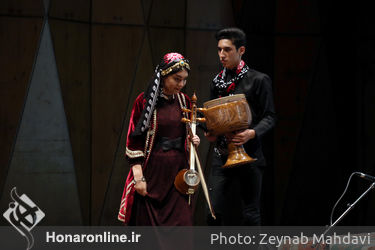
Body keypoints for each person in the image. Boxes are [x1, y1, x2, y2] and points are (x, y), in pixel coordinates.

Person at [118, 52, 200, 226]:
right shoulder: (144, 101)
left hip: (177, 175)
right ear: (163, 76)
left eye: (184, 80)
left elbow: (187, 132)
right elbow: (134, 142)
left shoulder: (185, 101)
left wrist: (193, 140)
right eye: (177, 79)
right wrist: (139, 178)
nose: (181, 84)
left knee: (182, 226)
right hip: (153, 173)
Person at [205, 27, 276, 226]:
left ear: (241, 50)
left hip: (250, 154)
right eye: (219, 49)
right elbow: (213, 118)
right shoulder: (217, 82)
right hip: (222, 154)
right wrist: (210, 132)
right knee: (212, 212)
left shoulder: (259, 80)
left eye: (227, 50)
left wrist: (251, 133)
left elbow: (270, 117)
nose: (221, 55)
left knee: (250, 215)